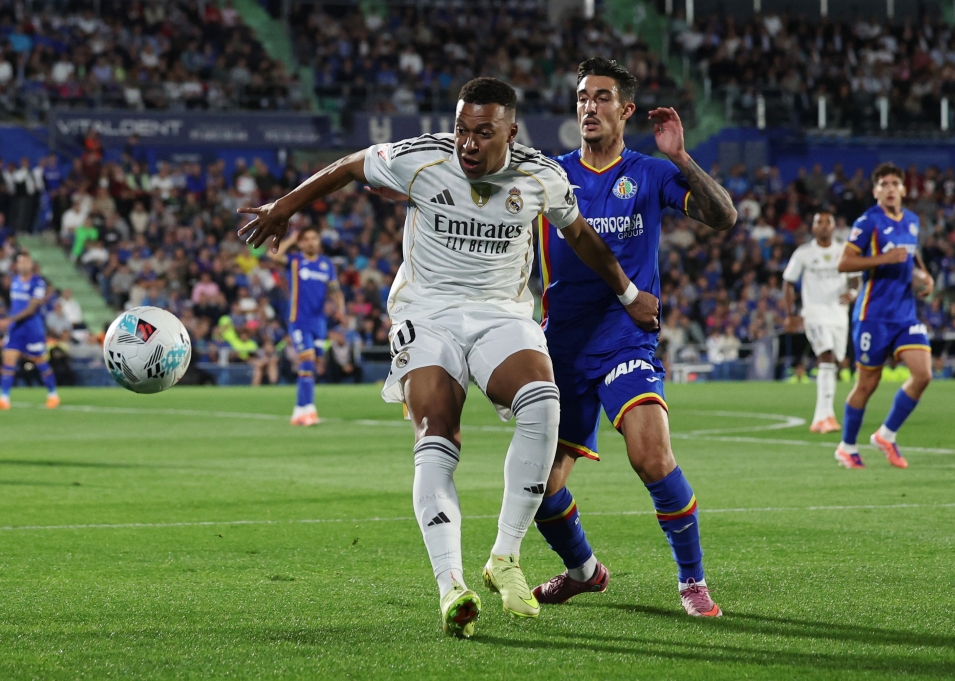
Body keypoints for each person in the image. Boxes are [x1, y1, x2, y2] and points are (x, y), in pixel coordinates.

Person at [238, 77, 659, 638]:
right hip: (427, 312)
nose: (467, 143)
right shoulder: (421, 158)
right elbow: (349, 165)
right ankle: (450, 585)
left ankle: (504, 559)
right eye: (462, 129)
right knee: (439, 432)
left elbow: (579, 235)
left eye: (483, 133)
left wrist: (629, 295)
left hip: (500, 314)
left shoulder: (540, 176)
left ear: (511, 131)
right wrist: (283, 207)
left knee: (542, 404)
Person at [531, 59, 736, 617]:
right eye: (581, 97)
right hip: (562, 345)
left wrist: (682, 158)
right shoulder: (548, 175)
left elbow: (723, 217)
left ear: (625, 110)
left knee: (650, 454)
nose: (588, 107)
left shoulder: (648, 172)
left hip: (626, 336)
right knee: (539, 487)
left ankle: (691, 580)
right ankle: (584, 571)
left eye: (601, 97)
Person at [834, 163, 933, 469]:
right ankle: (847, 447)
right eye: (883, 184)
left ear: (903, 189)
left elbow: (912, 255)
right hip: (872, 315)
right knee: (867, 384)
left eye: (894, 183)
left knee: (923, 374)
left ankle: (886, 435)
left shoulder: (912, 221)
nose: (890, 188)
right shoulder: (868, 222)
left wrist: (925, 276)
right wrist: (884, 259)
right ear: (876, 190)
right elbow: (844, 263)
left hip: (905, 314)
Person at [782, 211, 859, 433]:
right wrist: (790, 315)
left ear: (834, 227)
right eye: (819, 222)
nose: (824, 226)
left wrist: (852, 294)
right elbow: (788, 282)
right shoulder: (804, 253)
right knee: (825, 354)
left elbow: (856, 279)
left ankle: (820, 417)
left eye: (828, 222)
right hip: (814, 314)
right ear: (813, 227)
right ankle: (826, 417)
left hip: (838, 316)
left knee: (834, 362)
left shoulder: (844, 251)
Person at [267, 224, 342, 425]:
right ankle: (308, 409)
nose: (311, 242)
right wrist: (291, 240)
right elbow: (273, 256)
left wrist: (340, 309)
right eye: (306, 239)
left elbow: (335, 289)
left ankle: (300, 411)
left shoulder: (326, 264)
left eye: (314, 238)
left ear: (319, 241)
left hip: (320, 323)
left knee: (314, 365)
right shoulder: (296, 261)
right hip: (299, 320)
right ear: (301, 243)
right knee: (307, 361)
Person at [0, 252, 60, 410]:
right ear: (17, 265)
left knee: (40, 361)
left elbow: (31, 309)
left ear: (31, 264)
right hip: (16, 329)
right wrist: (11, 321)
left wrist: (9, 320)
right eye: (21, 262)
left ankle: (53, 394)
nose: (24, 265)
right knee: (8, 358)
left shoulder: (37, 283)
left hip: (33, 327)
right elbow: (15, 306)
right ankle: (4, 398)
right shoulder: (14, 282)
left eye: (27, 262)